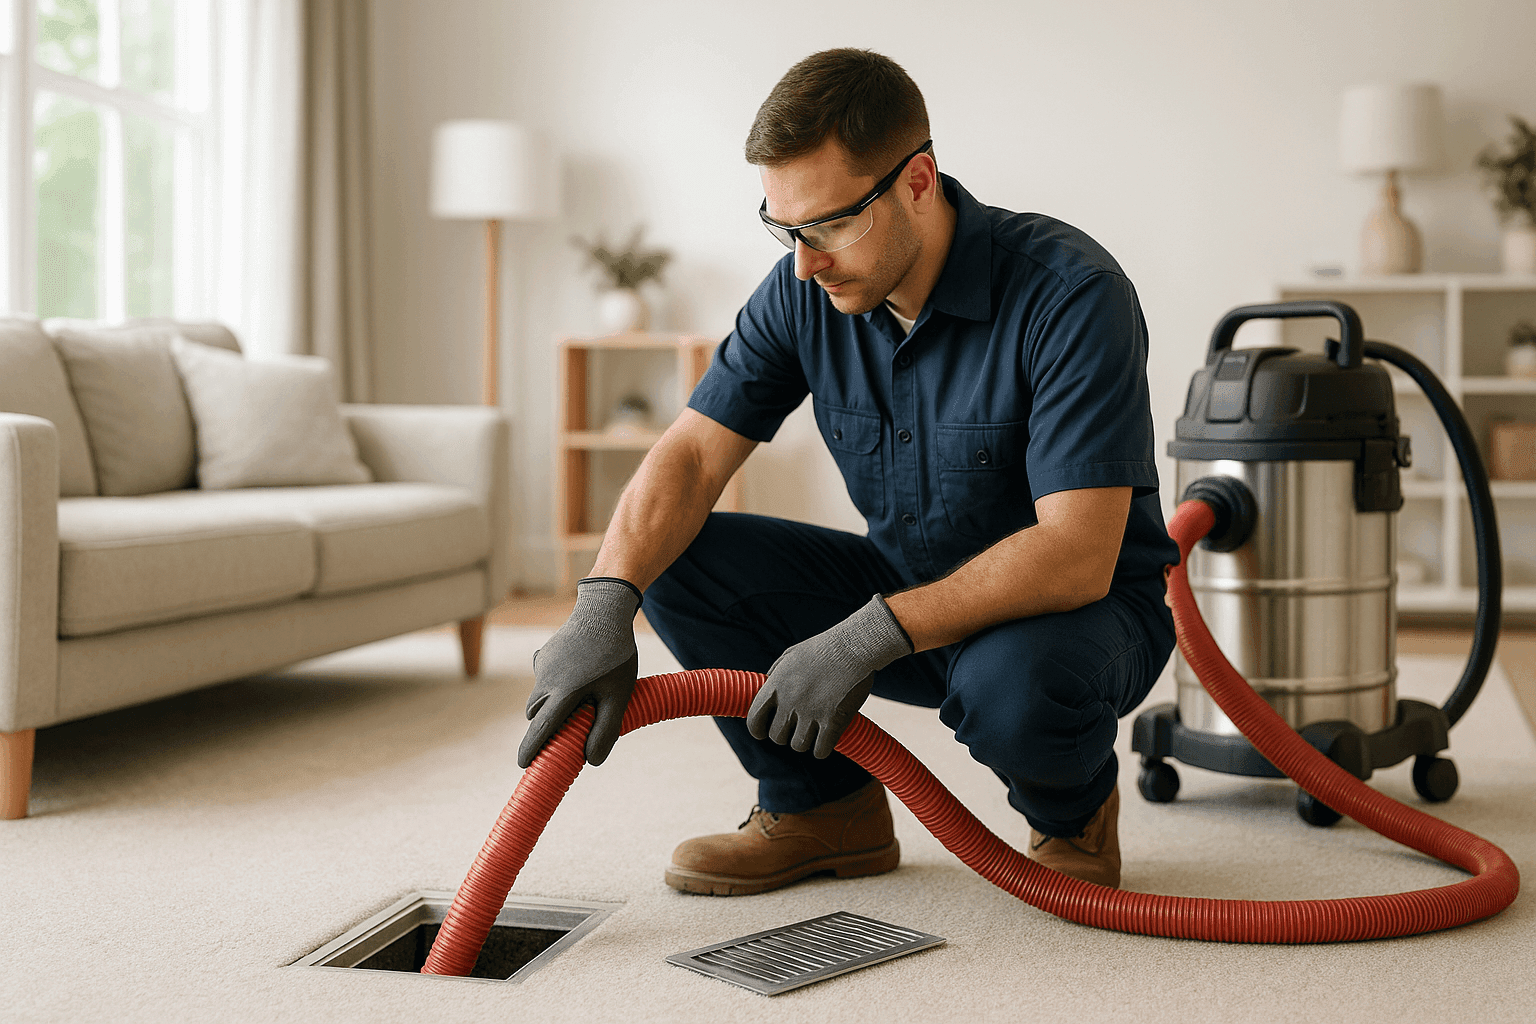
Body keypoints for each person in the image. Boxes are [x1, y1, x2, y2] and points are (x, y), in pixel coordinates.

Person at [517, 48, 1178, 896]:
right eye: (785, 228)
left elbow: (1077, 553)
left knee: (1011, 685)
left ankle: (1071, 816)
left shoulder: (1069, 295)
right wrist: (605, 600)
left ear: (917, 181)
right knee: (672, 560)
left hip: (1078, 617)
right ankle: (823, 810)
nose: (804, 260)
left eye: (829, 224)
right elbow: (689, 453)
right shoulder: (805, 290)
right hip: (903, 586)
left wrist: (865, 637)